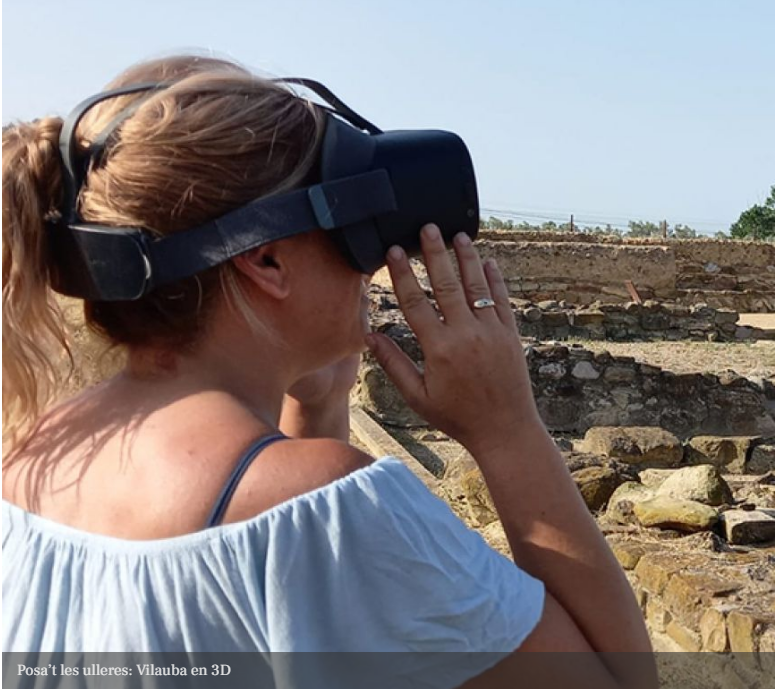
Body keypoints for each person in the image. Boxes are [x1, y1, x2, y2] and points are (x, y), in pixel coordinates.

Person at [2, 56, 655, 687]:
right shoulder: (321, 513)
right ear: (266, 261)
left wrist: (318, 399)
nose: (370, 261)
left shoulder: (30, 459)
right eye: (353, 228)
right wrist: (505, 426)